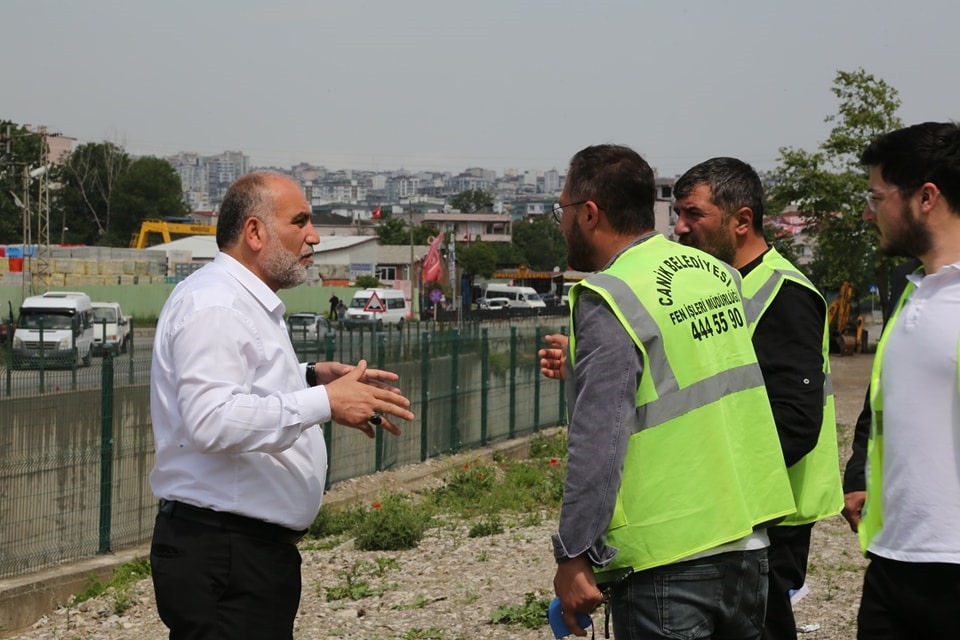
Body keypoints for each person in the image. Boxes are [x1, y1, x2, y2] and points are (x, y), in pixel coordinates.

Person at [149, 171, 414, 639]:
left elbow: (243, 382)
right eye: (300, 221)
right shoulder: (216, 306)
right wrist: (323, 402)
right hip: (224, 552)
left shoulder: (241, 302)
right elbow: (212, 420)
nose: (313, 236)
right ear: (255, 232)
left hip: (242, 553)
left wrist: (311, 375)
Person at [545, 144, 795, 639]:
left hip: (668, 558)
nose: (561, 223)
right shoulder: (716, 275)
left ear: (590, 214)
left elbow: (599, 438)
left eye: (563, 211)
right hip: (747, 538)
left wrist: (573, 554)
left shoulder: (610, 296)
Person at [672, 158, 843, 640]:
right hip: (737, 511)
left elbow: (795, 420)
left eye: (693, 214)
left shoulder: (784, 293)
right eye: (678, 214)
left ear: (742, 220)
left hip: (772, 517)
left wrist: (719, 480)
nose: (680, 228)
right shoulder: (718, 286)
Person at [853, 121, 960, 640]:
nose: (869, 211)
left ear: (926, 197)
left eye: (877, 195)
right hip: (893, 562)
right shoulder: (913, 290)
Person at [840, 258, 919, 534]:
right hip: (905, 517)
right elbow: (883, 385)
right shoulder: (907, 277)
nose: (867, 215)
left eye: (877, 209)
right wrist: (859, 472)